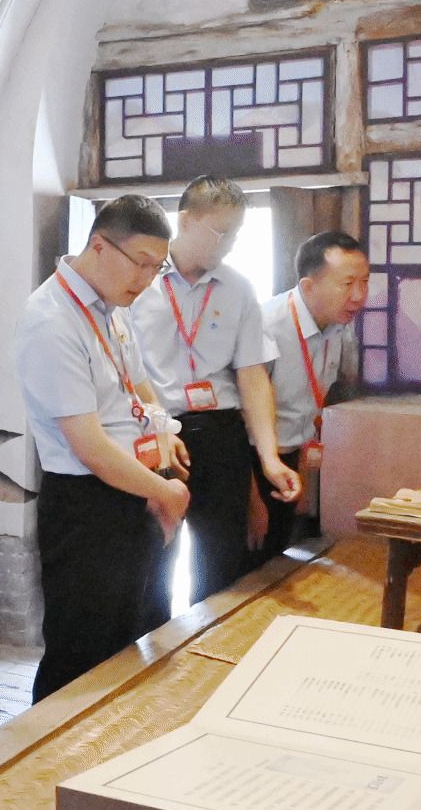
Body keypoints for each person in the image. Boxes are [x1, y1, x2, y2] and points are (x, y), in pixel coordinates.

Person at [16, 195, 192, 703]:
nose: (146, 279)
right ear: (98, 246)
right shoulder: (51, 319)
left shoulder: (112, 307)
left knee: (134, 640)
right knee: (80, 658)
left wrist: (165, 436)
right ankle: (47, 752)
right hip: (86, 506)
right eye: (140, 263)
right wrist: (164, 492)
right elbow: (89, 446)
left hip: (134, 487)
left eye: (157, 268)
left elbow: (137, 385)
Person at [132, 176, 300, 615]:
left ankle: (211, 650)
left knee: (222, 566)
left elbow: (252, 375)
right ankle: (152, 653)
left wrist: (269, 458)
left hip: (221, 434)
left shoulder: (238, 288)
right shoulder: (140, 280)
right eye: (220, 232)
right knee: (153, 563)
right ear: (186, 220)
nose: (228, 245)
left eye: (236, 234)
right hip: (156, 434)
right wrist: (155, 426)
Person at [255, 231, 368, 562]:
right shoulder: (267, 326)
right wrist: (252, 503)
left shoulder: (337, 326)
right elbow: (237, 421)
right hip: (252, 462)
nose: (359, 296)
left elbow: (311, 406)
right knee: (246, 568)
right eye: (347, 284)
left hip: (290, 458)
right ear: (308, 287)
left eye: (364, 282)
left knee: (278, 561)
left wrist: (303, 474)